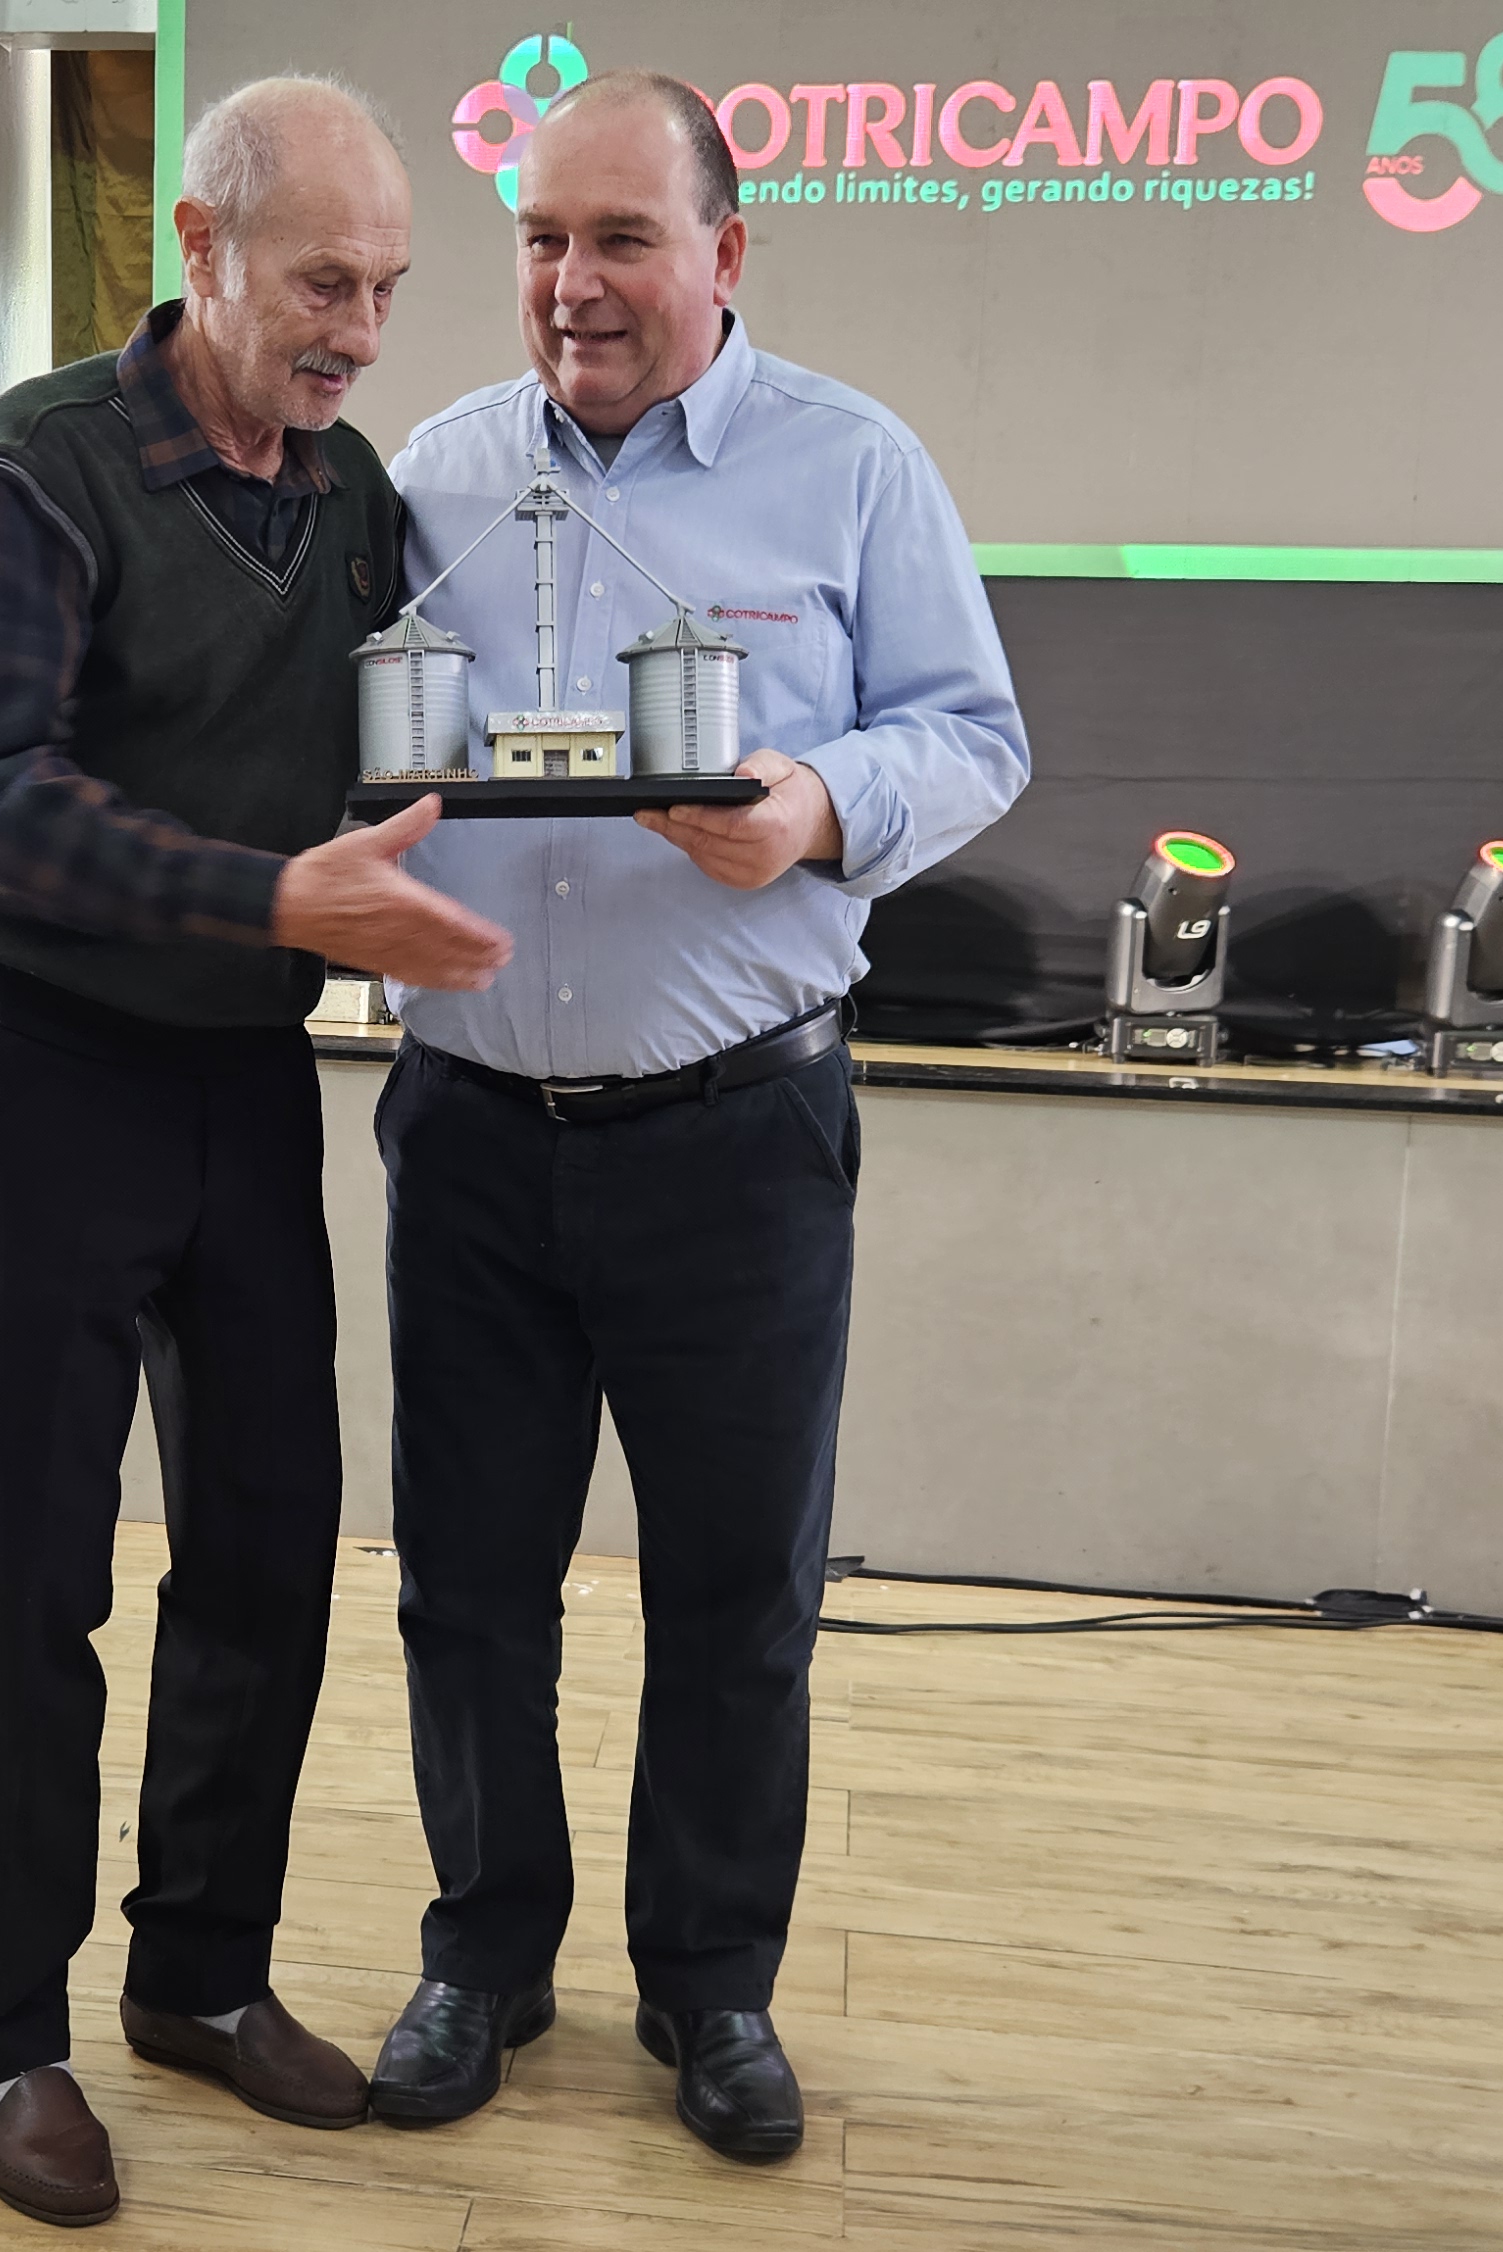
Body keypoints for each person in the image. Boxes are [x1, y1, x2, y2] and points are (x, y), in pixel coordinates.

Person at [359, 72, 1031, 2161]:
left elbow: (975, 733)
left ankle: (711, 1982)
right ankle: (485, 1953)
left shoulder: (852, 465)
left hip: (737, 1139)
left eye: (622, 240)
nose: (572, 283)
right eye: (543, 240)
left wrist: (821, 805)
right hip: (470, 1131)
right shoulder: (433, 473)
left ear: (725, 255)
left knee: (735, 1594)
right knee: (467, 1584)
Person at [0, 75, 510, 2229]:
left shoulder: (354, 493)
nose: (361, 330)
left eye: (389, 289)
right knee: (31, 1575)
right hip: (50, 1072)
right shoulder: (41, 463)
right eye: (323, 282)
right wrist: (277, 899)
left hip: (245, 1083)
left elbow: (403, 739)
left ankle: (197, 1974)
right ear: (200, 244)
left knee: (265, 1543)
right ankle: (4, 2029)